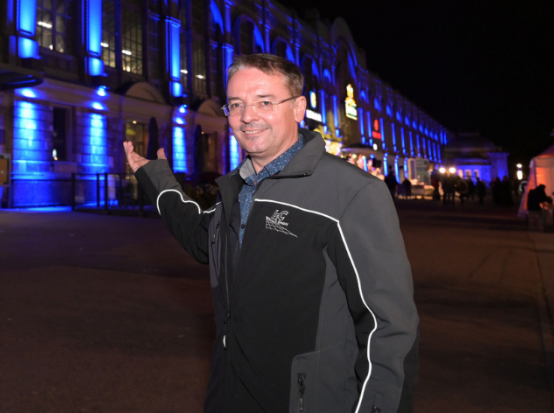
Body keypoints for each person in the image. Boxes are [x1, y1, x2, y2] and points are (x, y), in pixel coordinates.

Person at [124, 54, 418, 413]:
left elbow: (387, 328)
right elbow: (206, 240)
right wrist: (158, 181)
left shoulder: (352, 192)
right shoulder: (239, 187)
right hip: (229, 395)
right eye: (236, 104)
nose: (248, 116)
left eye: (264, 102)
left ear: (297, 108)